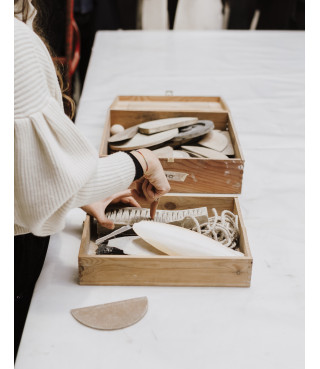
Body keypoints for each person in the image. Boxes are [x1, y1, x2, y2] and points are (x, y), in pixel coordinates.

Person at [14, 0, 170, 359]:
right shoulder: (13, 42)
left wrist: (81, 192)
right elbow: (37, 196)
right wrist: (139, 161)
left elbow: (20, 166)